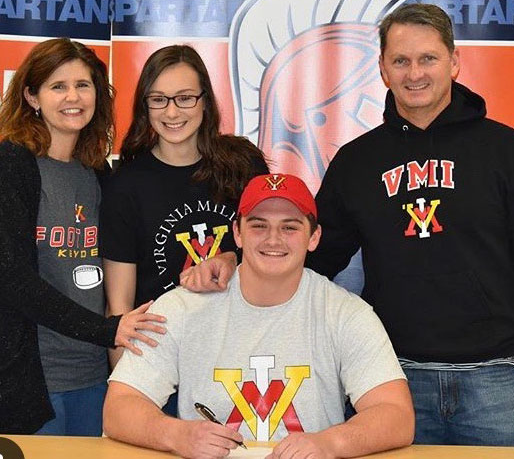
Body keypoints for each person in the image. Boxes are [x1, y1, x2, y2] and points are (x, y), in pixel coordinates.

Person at [180, 3, 514, 446]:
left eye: (428, 58)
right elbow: (311, 252)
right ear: (382, 68)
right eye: (400, 60)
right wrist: (234, 259)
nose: (414, 73)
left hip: (498, 379)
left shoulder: (502, 149)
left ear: (453, 62)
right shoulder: (358, 161)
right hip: (390, 380)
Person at [103, 173, 414, 459]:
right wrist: (177, 434)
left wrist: (330, 442)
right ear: (237, 233)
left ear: (314, 236)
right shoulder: (180, 309)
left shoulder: (346, 313)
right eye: (258, 225)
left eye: (290, 227)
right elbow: (119, 408)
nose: (273, 239)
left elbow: (396, 416)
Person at [0, 38, 166, 435]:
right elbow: (14, 280)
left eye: (83, 85)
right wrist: (107, 330)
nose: (73, 96)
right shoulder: (12, 164)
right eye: (58, 86)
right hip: (32, 384)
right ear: (31, 96)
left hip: (95, 378)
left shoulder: (99, 174)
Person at [99, 44, 268, 372]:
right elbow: (120, 308)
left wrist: (232, 257)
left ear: (205, 100)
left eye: (185, 97)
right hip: (161, 361)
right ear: (145, 106)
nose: (172, 113)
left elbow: (278, 255)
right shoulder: (126, 185)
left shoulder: (243, 165)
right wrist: (123, 393)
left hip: (242, 357)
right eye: (159, 99)